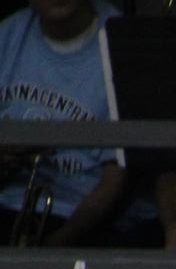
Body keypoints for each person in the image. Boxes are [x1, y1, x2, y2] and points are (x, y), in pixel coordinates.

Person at [0, 0, 151, 246]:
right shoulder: (8, 35)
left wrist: (54, 247)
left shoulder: (123, 43)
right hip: (9, 206)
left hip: (84, 221)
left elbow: (117, 179)